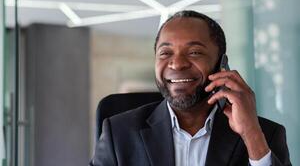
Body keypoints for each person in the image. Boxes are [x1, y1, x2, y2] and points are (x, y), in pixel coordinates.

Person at [89, 10, 291, 166]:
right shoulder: (119, 133)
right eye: (165, 53)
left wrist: (251, 133)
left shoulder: (264, 134)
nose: (177, 64)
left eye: (194, 52)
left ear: (222, 64)